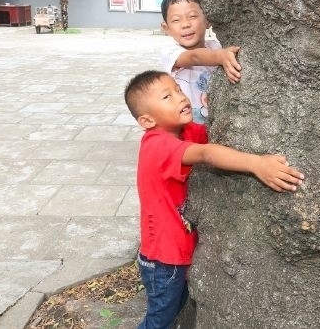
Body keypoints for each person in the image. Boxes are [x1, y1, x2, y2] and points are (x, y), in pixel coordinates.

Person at [124, 70, 304, 329]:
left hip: (178, 252)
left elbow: (210, 134)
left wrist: (217, 108)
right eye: (167, 96)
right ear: (147, 120)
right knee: (159, 321)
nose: (181, 98)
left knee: (172, 313)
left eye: (178, 90)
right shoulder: (157, 145)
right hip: (163, 261)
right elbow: (208, 154)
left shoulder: (183, 132)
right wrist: (256, 164)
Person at [159, 0, 241, 124]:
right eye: (176, 20)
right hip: (187, 124)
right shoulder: (170, 52)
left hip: (214, 119)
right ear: (166, 28)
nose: (185, 25)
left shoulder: (215, 46)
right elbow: (194, 57)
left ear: (208, 21)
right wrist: (220, 57)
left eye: (192, 16)